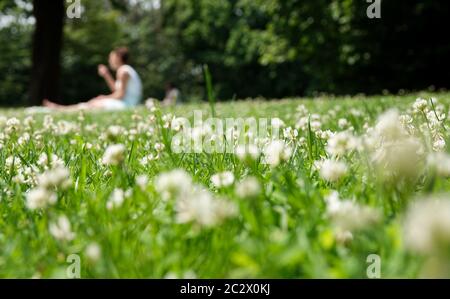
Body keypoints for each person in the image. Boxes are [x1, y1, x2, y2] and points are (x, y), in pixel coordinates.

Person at [43, 47, 142, 110]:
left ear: (118, 57)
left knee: (93, 104)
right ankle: (61, 108)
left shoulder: (123, 71)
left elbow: (120, 95)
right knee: (93, 103)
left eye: (111, 57)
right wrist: (106, 75)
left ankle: (61, 109)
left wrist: (104, 97)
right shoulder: (126, 70)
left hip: (127, 106)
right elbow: (116, 91)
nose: (110, 60)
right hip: (127, 104)